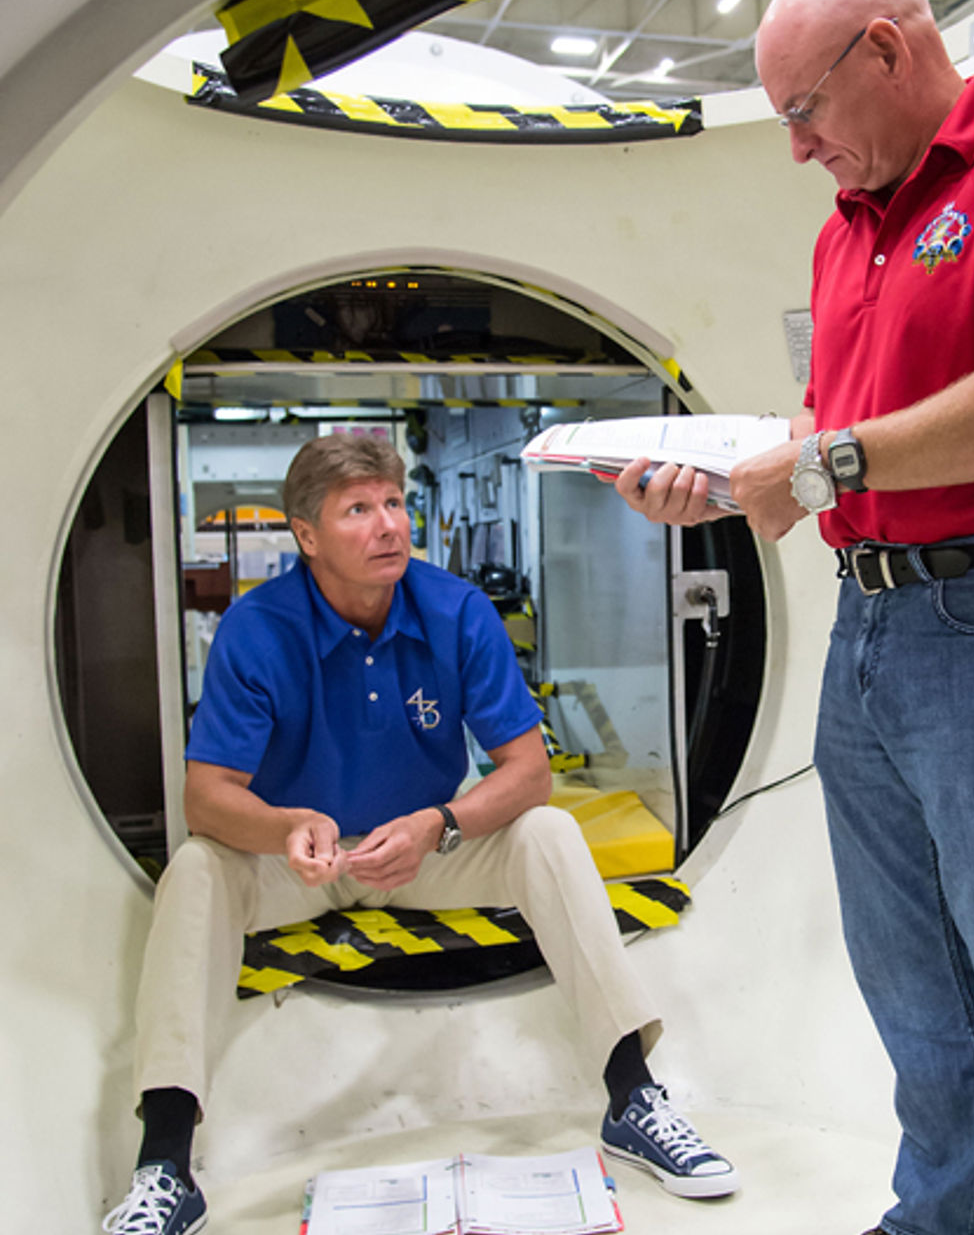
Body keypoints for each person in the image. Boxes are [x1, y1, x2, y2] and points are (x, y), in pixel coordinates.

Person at [614, 0, 974, 1235]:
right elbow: (841, 441)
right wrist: (736, 484)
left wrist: (819, 460)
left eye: (803, 109)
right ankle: (944, 1212)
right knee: (911, 980)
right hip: (873, 620)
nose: (797, 147)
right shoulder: (847, 232)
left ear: (890, 53)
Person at [104, 434, 734, 1235]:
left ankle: (633, 1096)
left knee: (547, 832)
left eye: (395, 503)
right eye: (358, 510)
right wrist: (288, 825)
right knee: (195, 869)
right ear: (307, 535)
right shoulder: (257, 629)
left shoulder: (455, 609)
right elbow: (206, 798)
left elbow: (528, 769)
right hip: (302, 861)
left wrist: (441, 823)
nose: (388, 526)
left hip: (426, 850)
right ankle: (164, 1163)